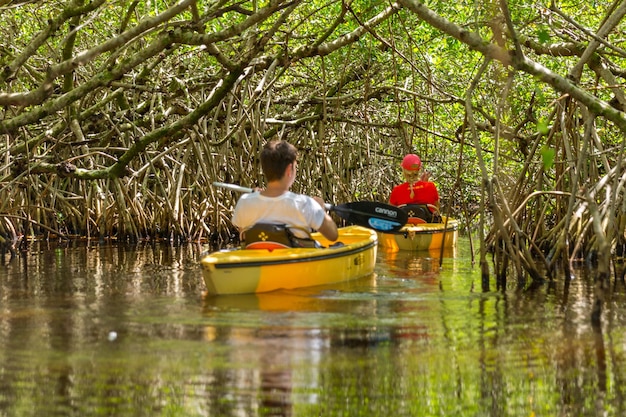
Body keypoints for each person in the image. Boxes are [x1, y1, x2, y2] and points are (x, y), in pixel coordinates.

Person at [231, 140, 339, 245]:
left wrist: (255, 197)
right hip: (296, 262)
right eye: (295, 167)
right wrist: (320, 210)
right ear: (289, 169)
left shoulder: (245, 201)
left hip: (259, 260)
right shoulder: (305, 204)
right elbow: (333, 235)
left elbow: (243, 236)